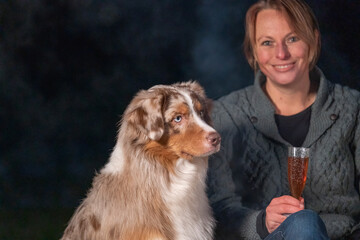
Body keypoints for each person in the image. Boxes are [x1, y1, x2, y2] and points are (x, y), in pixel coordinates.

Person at [207, 0, 360, 239]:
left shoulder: (353, 107)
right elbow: (215, 209)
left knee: (306, 223)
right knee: (303, 224)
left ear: (314, 41)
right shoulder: (226, 114)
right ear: (253, 52)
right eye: (267, 42)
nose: (281, 53)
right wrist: (261, 222)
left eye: (293, 38)